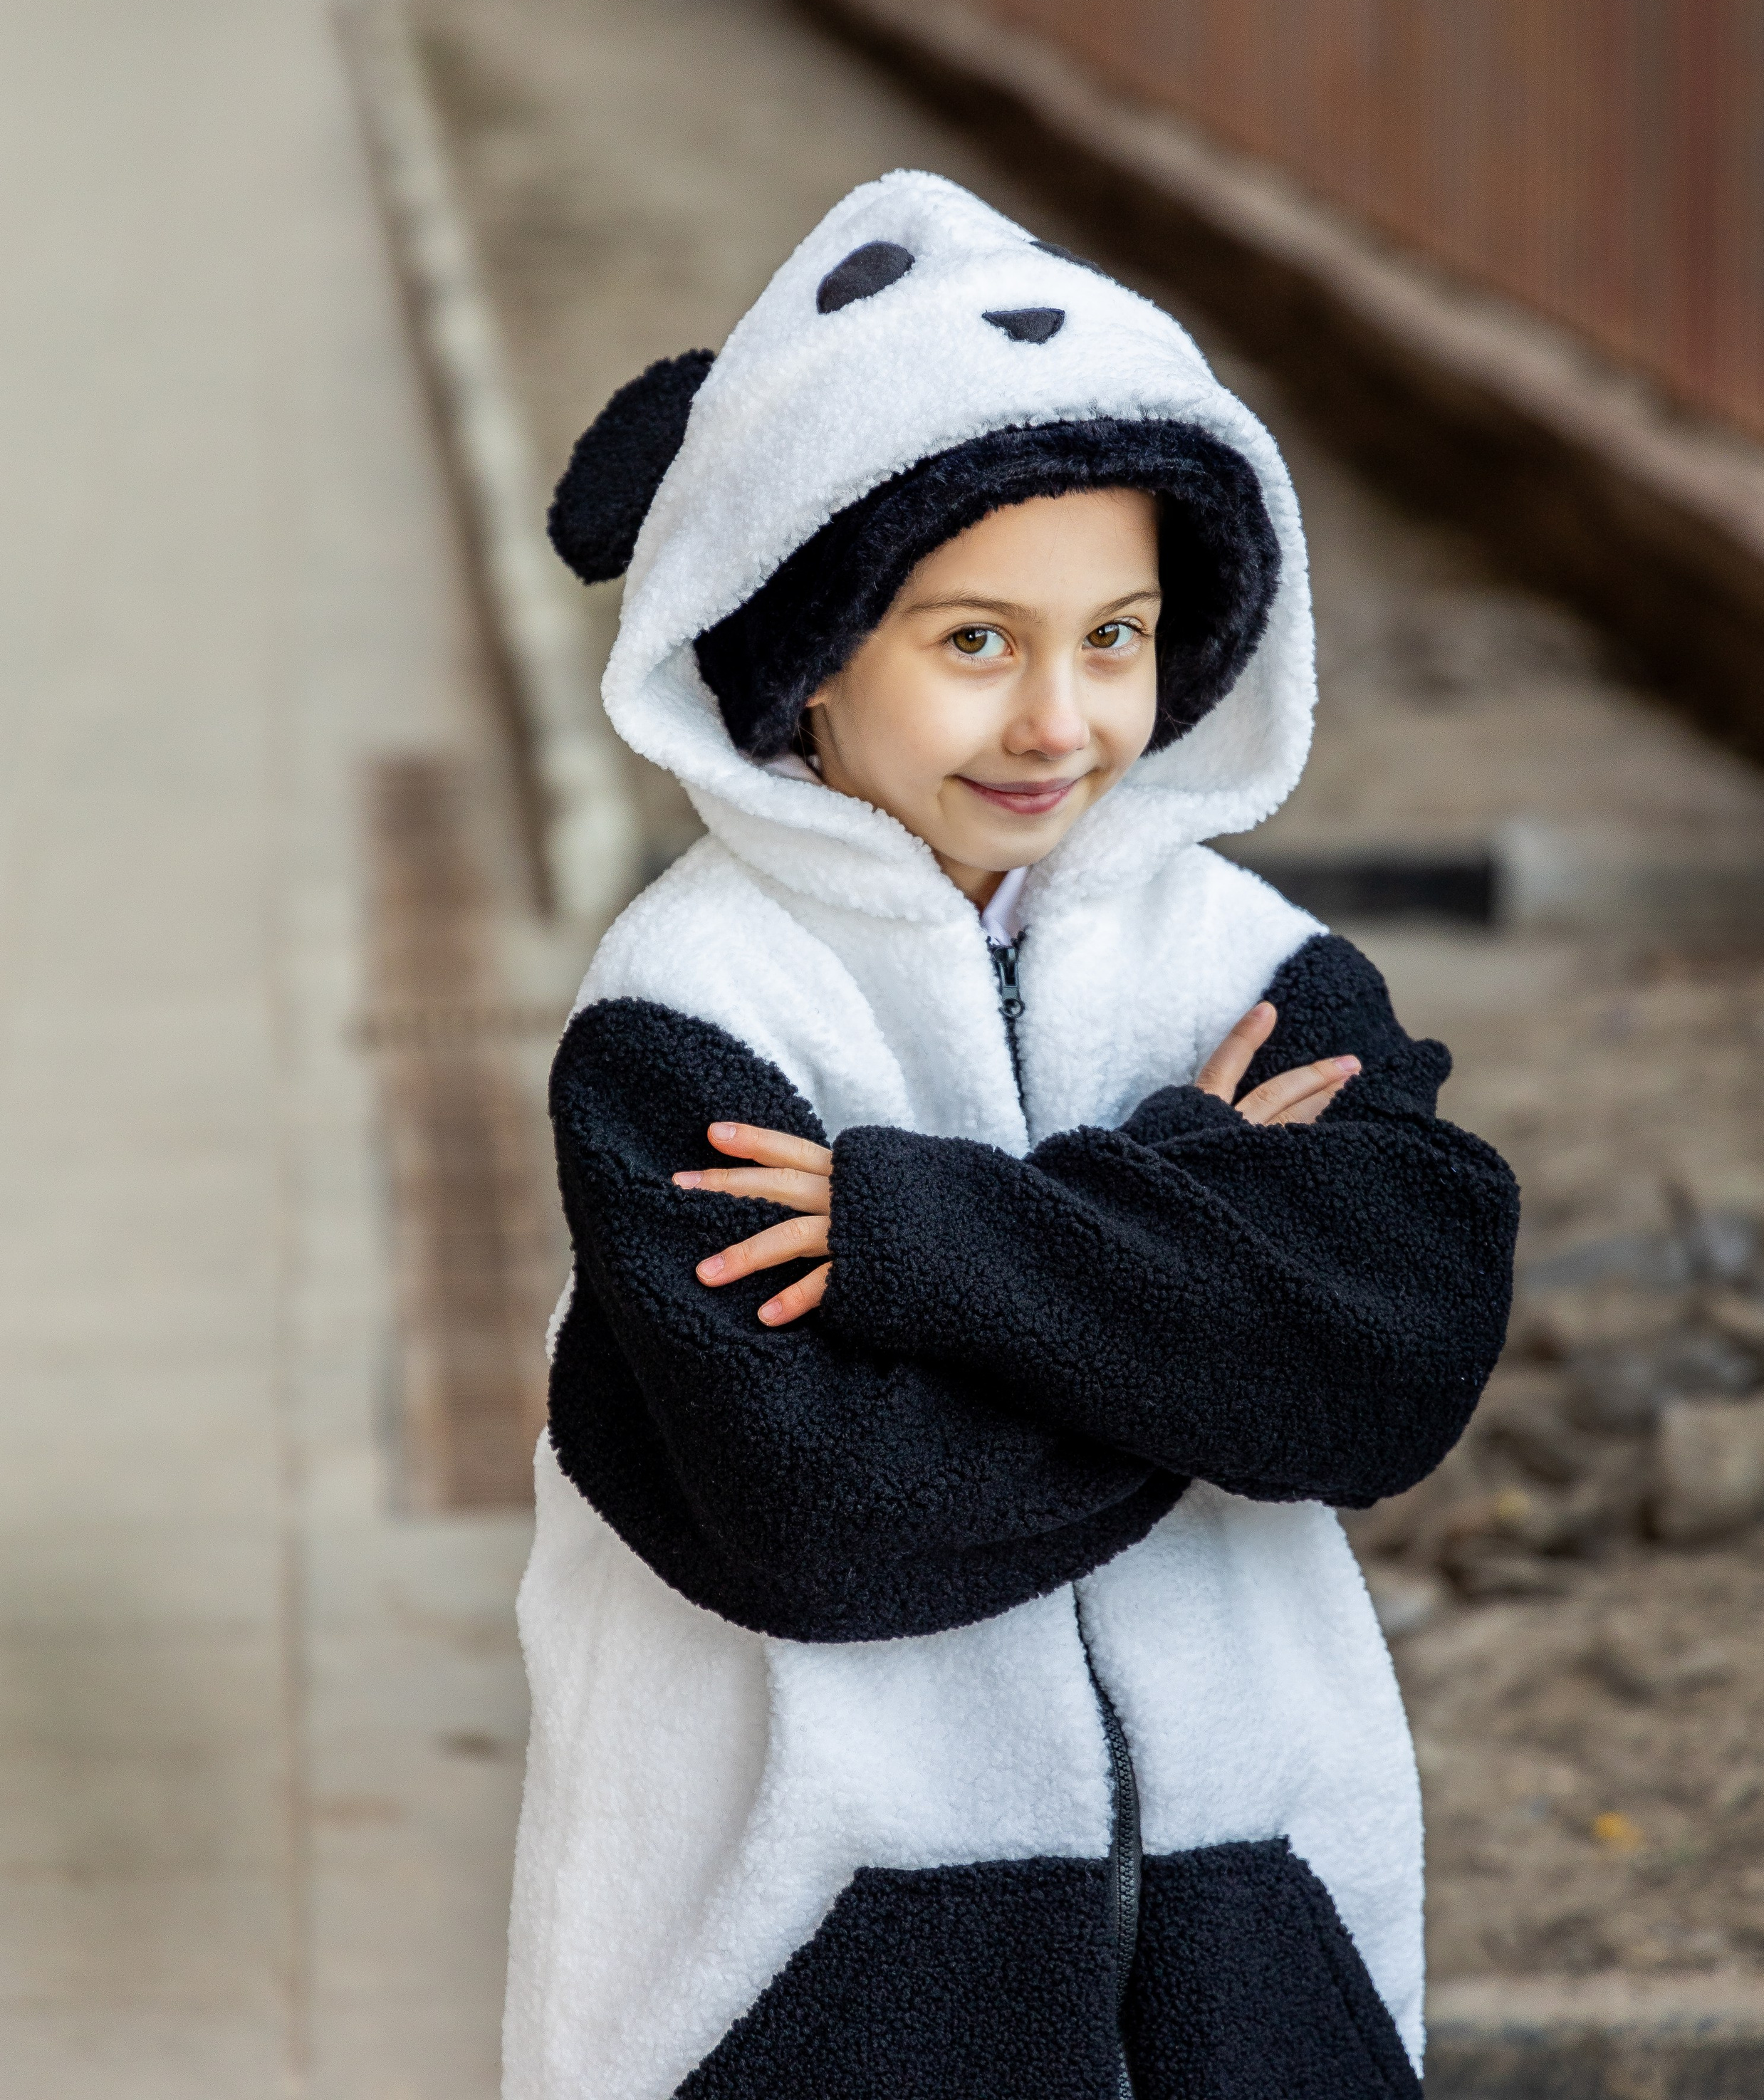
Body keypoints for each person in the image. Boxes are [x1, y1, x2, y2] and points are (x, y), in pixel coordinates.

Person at [502, 172, 1517, 2100]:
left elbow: (1392, 1372)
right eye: (977, 642)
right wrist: (1212, 1298)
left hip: (1261, 1929)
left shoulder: (1260, 965)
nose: (1062, 719)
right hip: (823, 1968)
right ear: (806, 646)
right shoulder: (690, 1017)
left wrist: (926, 1244)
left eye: (1117, 634)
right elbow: (827, 1515)